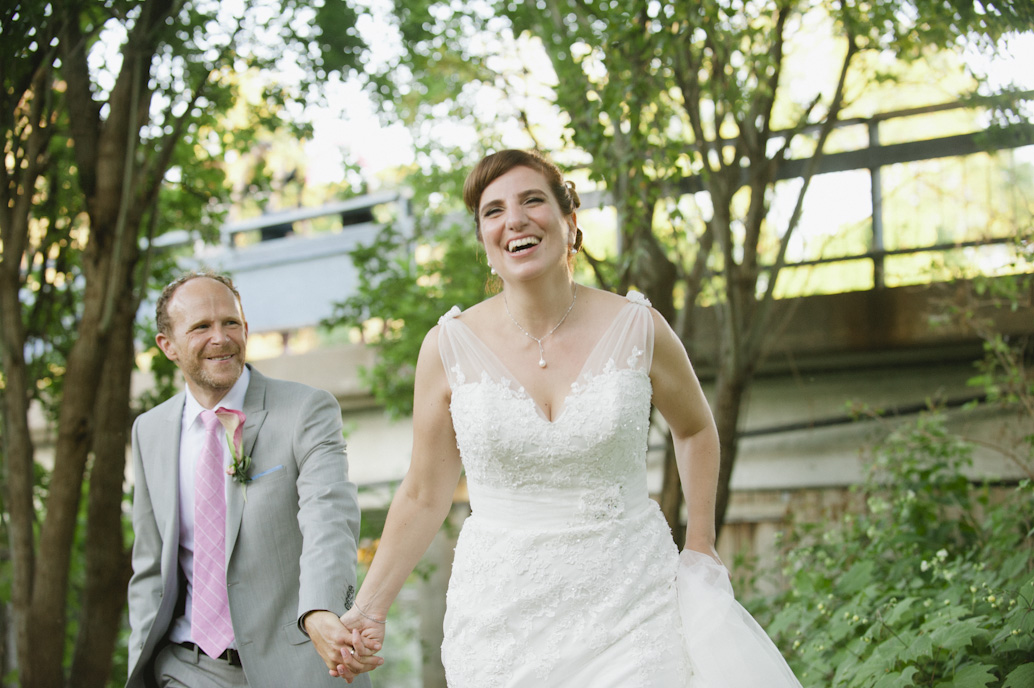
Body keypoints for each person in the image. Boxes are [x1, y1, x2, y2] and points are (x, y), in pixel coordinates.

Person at [337, 150, 802, 686]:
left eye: (532, 200)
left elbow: (695, 429)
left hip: (634, 603)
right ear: (486, 242)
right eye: (493, 211)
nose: (514, 219)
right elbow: (423, 492)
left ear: (570, 224)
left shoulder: (638, 326)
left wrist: (700, 542)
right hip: (499, 620)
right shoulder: (447, 347)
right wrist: (370, 607)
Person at [126, 271, 380, 688]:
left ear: (245, 328)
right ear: (167, 346)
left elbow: (329, 520)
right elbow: (149, 565)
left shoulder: (306, 410)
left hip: (297, 664)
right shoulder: (149, 431)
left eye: (230, 323)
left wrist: (320, 609)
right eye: (201, 327)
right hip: (186, 667)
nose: (220, 338)